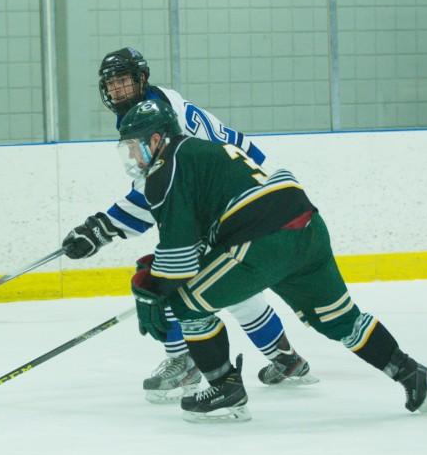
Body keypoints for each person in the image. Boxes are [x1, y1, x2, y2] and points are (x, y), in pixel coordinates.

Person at [118, 98, 427, 422]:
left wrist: (154, 289)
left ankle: (224, 390)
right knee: (341, 319)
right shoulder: (203, 152)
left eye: (134, 145)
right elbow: (201, 241)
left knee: (188, 304)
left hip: (264, 239)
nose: (132, 154)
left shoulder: (166, 169)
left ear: (157, 139)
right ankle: (413, 375)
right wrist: (160, 277)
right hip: (305, 227)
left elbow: (179, 259)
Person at [61, 47, 313, 402]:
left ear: (142, 79)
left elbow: (158, 188)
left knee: (172, 278)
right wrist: (103, 226)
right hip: (237, 190)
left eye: (124, 81)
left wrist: (101, 228)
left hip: (236, 194)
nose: (117, 90)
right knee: (231, 286)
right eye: (112, 83)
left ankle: (184, 360)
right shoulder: (149, 107)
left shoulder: (160, 116)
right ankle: (285, 358)